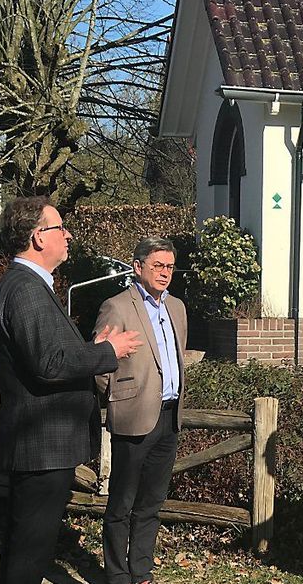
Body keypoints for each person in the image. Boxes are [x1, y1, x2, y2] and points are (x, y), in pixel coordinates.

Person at [0, 196, 142, 584]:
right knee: (28, 553)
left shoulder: (30, 285)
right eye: (60, 227)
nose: (67, 234)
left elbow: (49, 355)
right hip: (41, 447)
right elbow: (48, 364)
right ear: (39, 237)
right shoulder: (24, 288)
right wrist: (109, 351)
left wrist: (90, 351)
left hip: (44, 444)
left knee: (29, 548)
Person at [94, 237, 187, 584]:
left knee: (151, 503)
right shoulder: (117, 307)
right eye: (158, 266)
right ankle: (117, 574)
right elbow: (99, 362)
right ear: (138, 267)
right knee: (121, 504)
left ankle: (141, 572)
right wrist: (120, 398)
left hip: (169, 415)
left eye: (170, 267)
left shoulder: (176, 307)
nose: (165, 273)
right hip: (134, 417)